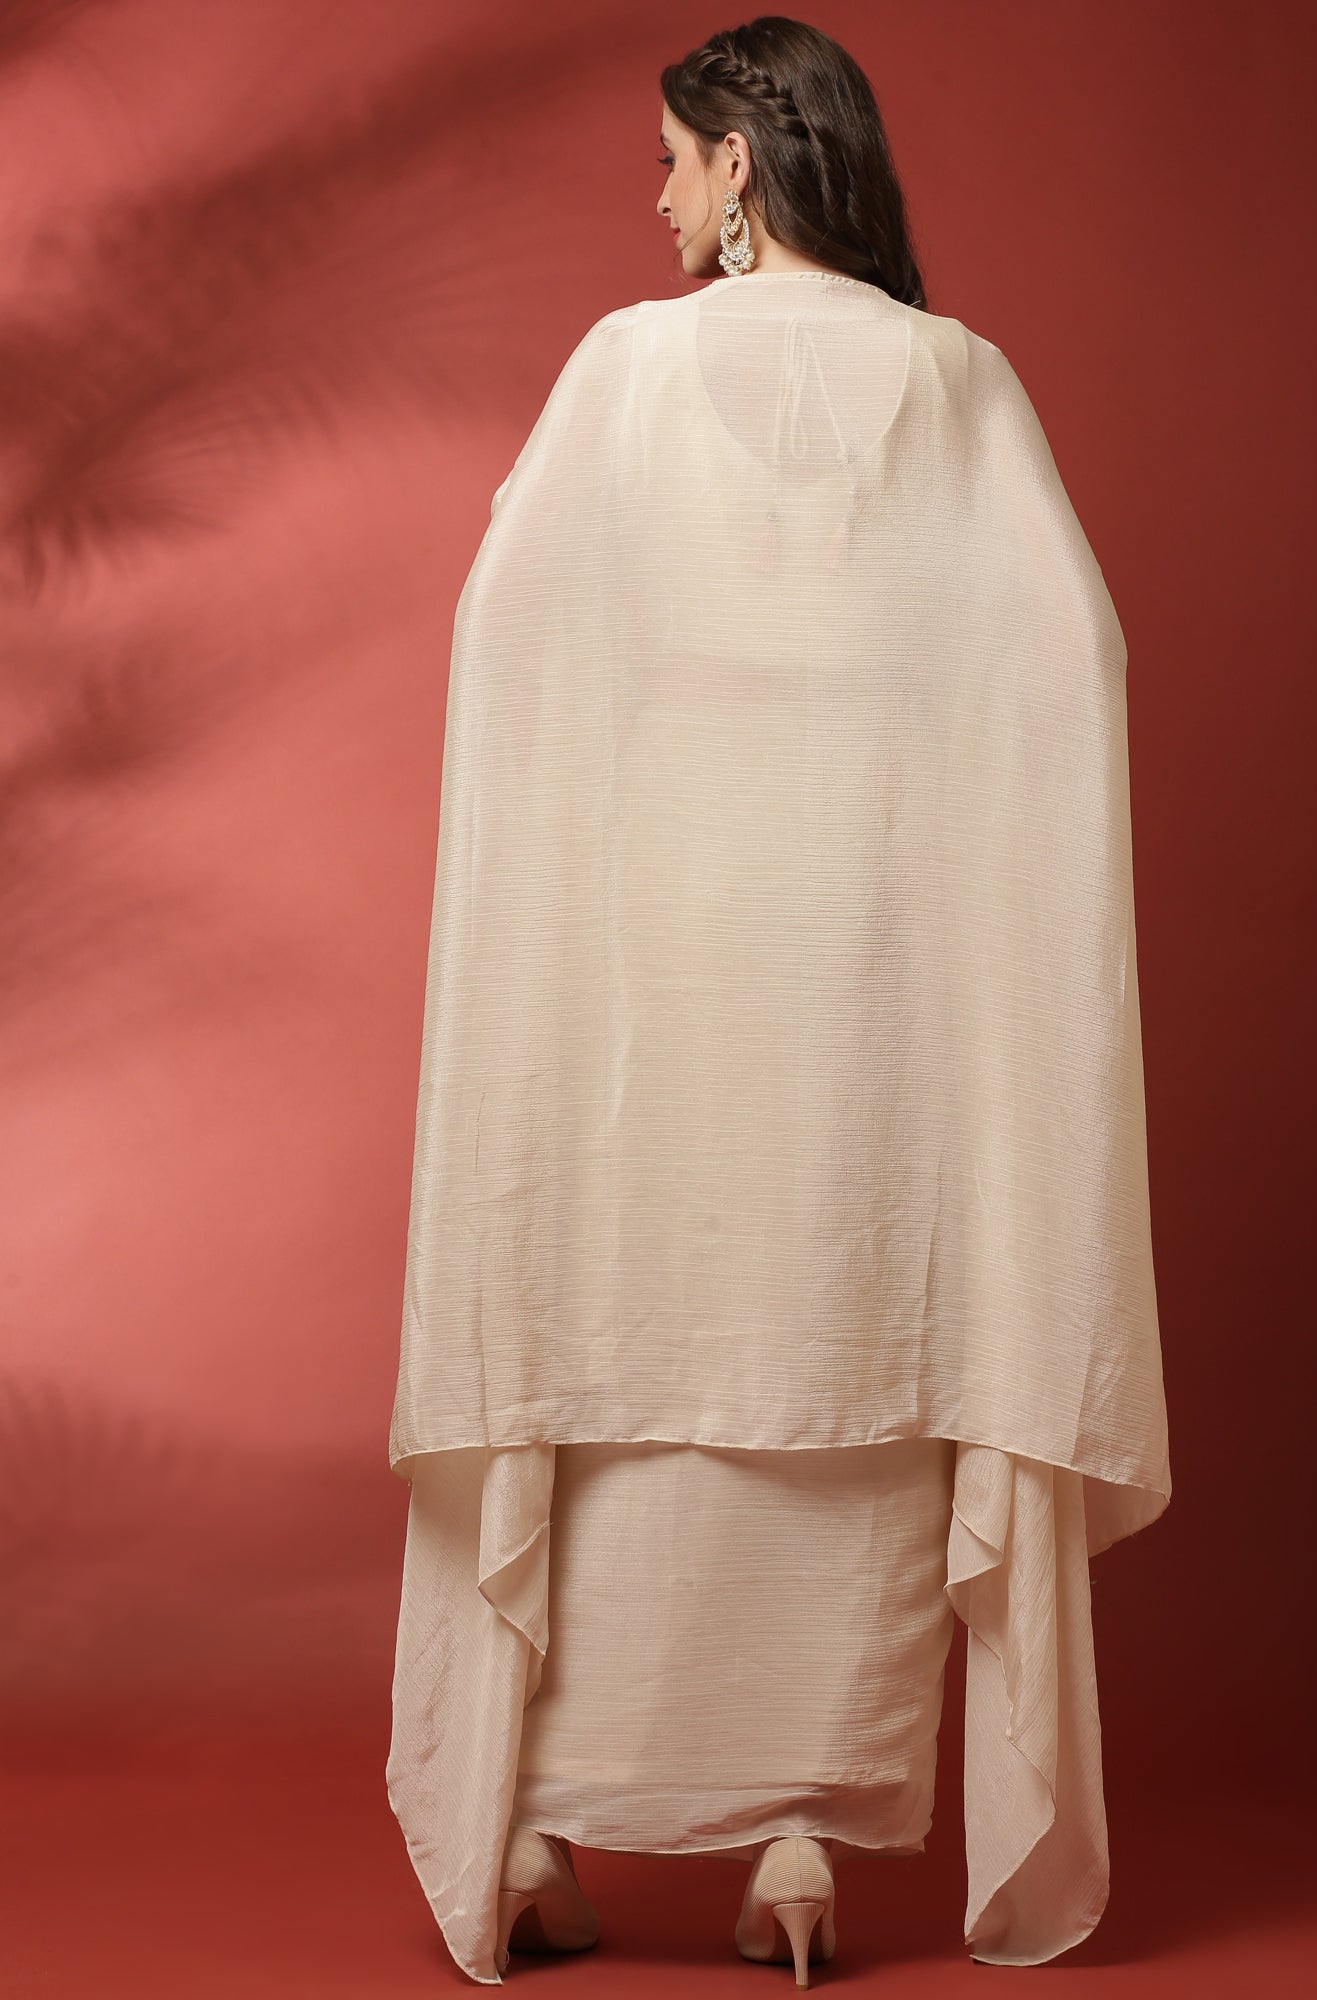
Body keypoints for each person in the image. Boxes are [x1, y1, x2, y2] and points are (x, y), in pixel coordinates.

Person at [384, 15, 1171, 1988]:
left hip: (653, 1006)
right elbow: (1066, 657)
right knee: (860, 1353)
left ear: (742, 164)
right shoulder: (958, 380)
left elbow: (510, 633)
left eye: (671, 160)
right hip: (872, 1021)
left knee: (608, 1343)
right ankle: (801, 1844)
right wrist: (967, 922)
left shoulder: (624, 372)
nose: (656, 201)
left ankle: (538, 1833)